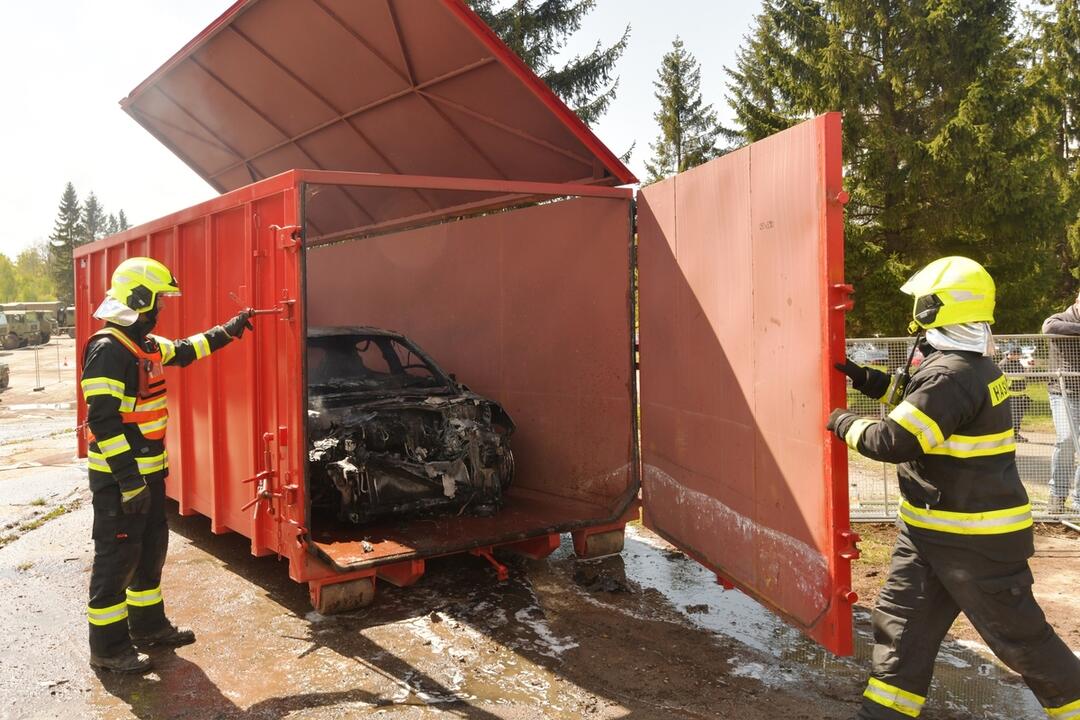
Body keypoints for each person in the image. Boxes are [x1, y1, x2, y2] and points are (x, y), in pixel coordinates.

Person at [827, 256, 1080, 719]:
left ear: (933, 309)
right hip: (931, 532)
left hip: (974, 542)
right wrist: (866, 379)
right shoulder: (965, 367)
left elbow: (894, 439)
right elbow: (918, 403)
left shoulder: (952, 375)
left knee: (1022, 642)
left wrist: (840, 421)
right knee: (902, 628)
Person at [81, 257, 254, 673]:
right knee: (116, 560)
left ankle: (148, 627)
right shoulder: (108, 349)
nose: (160, 308)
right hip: (120, 482)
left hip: (149, 475)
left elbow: (185, 350)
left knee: (150, 551)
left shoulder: (143, 344)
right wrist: (129, 482)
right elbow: (103, 422)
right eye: (158, 300)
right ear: (138, 298)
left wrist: (228, 331)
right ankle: (108, 648)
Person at [1043, 291, 1080, 514]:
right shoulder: (1060, 318)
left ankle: (1079, 502)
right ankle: (1057, 495)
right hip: (1063, 392)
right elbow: (1048, 328)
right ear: (1077, 301)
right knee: (1066, 439)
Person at [997, 345, 1030, 443]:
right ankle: (1007, 436)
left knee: (1018, 416)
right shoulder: (1003, 364)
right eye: (1018, 354)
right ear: (1013, 354)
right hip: (1010, 395)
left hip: (1020, 395)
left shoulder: (1018, 363)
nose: (1019, 356)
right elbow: (1003, 378)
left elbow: (1022, 376)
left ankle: (1015, 434)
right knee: (1012, 417)